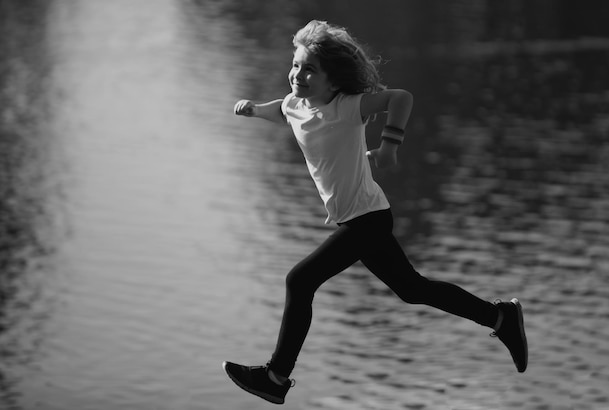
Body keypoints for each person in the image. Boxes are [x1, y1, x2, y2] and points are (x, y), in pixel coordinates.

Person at [223, 20, 527, 405]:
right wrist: (252, 110)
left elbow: (400, 98)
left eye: (309, 70)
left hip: (368, 219)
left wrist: (389, 145)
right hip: (358, 218)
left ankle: (276, 377)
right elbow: (280, 112)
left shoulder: (347, 107)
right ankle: (501, 318)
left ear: (334, 82)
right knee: (412, 289)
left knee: (300, 282)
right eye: (296, 65)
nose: (297, 74)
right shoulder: (294, 104)